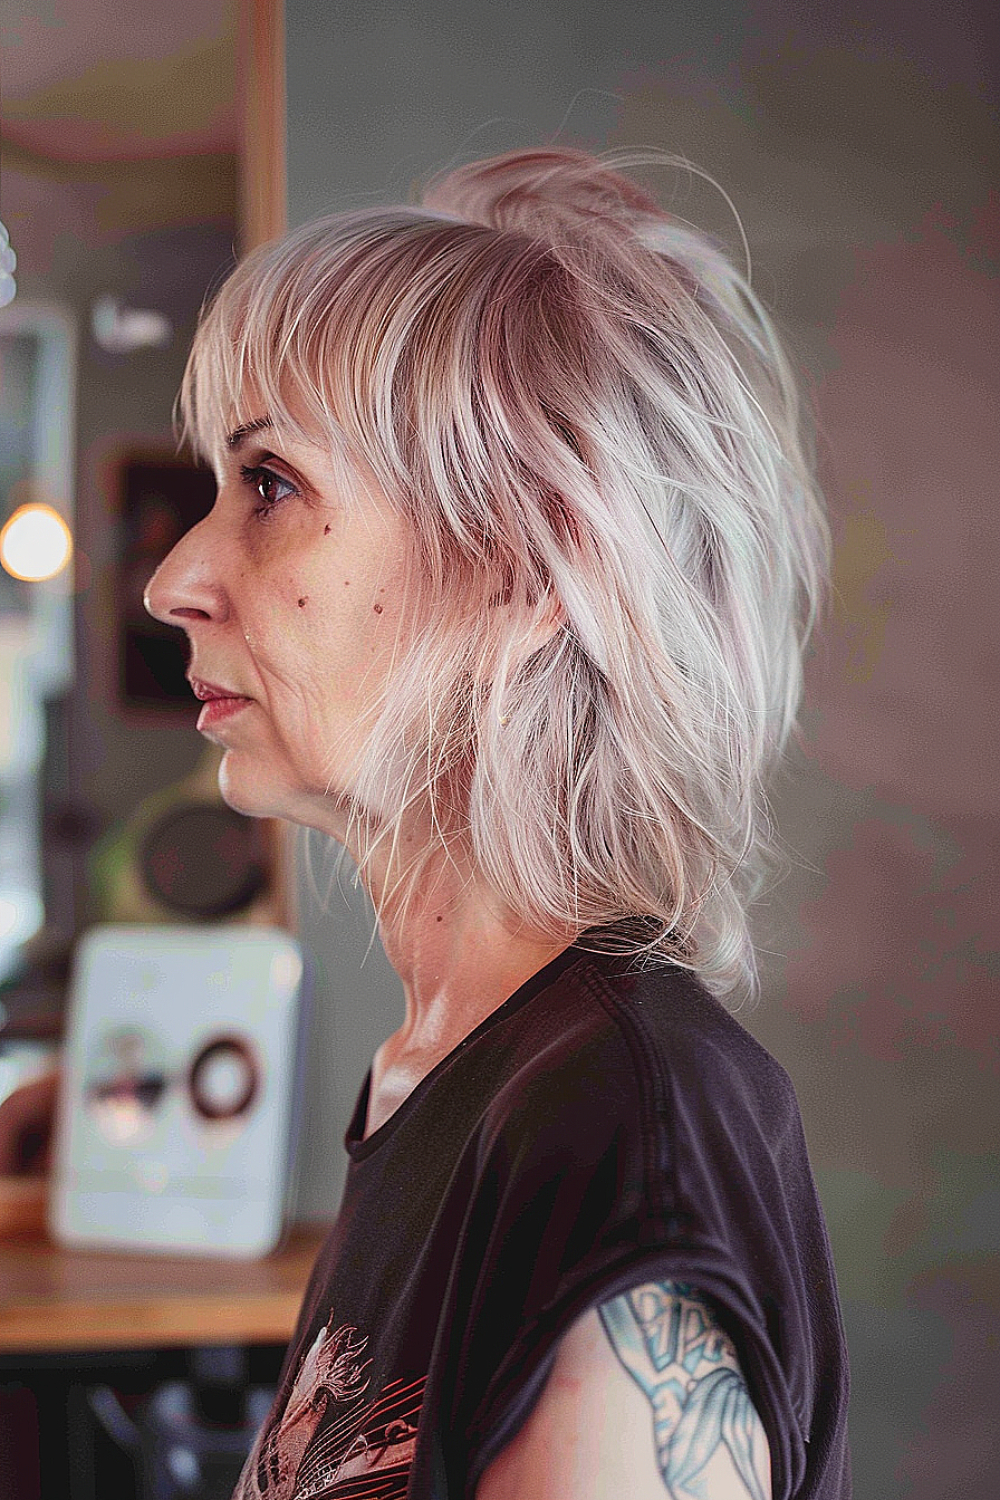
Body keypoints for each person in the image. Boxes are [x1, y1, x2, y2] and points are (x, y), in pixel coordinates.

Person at [144, 147, 850, 1500]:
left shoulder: (621, 1143)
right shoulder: (441, 1079)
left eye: (271, 486)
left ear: (523, 565)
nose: (179, 575)